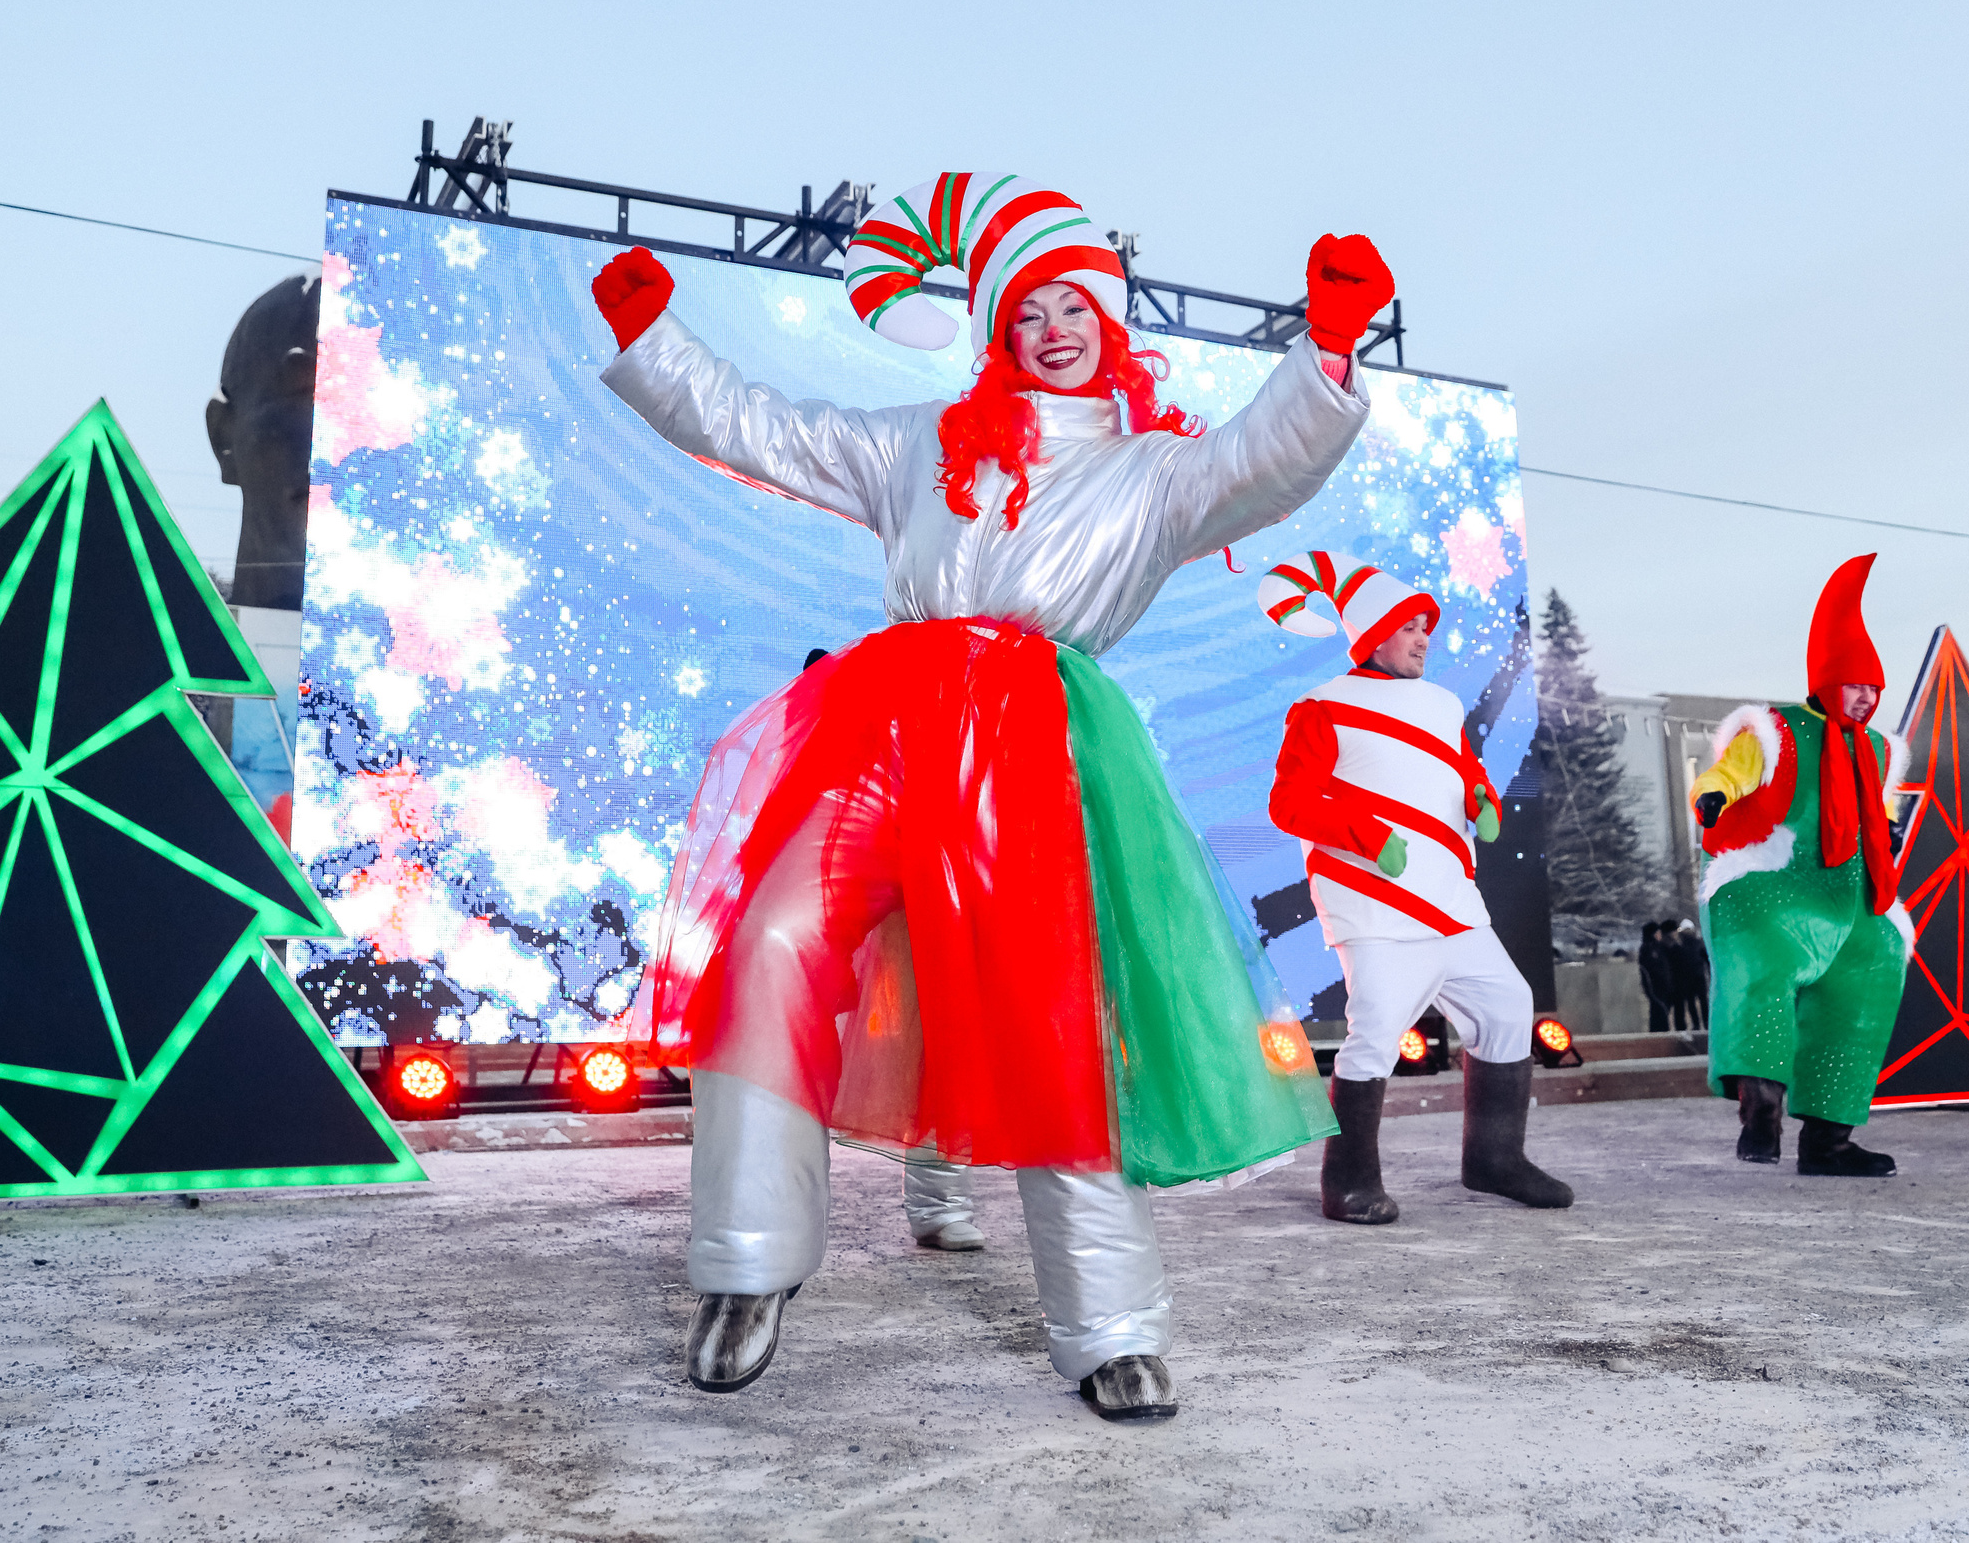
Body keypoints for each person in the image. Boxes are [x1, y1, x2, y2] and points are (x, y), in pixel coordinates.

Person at [592, 174, 1392, 1418]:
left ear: (1109, 325)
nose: (1053, 327)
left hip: (1029, 751)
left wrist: (1325, 356)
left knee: (1045, 1022)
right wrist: (657, 342)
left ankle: (1111, 1328)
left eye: (1076, 305)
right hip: (888, 726)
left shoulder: (1155, 474)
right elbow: (762, 426)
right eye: (1028, 309)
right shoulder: (918, 441)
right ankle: (747, 1266)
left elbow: (1263, 459)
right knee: (771, 940)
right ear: (999, 328)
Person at [1260, 553, 1572, 1225]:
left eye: (1427, 629)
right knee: (1375, 1030)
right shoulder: (1322, 706)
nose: (1424, 639)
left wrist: (1483, 799)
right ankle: (1347, 1180)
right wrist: (1367, 835)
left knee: (1508, 1006)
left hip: (1453, 899)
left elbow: (1464, 768)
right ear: (1375, 634)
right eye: (1410, 628)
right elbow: (1287, 803)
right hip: (1372, 902)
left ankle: (1494, 1159)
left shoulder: (1442, 704)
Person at [1687, 554, 1911, 1177]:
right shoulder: (1776, 729)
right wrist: (1713, 793)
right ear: (1828, 679)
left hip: (1847, 893)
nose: (1866, 698)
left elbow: (1876, 815)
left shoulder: (1877, 748)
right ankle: (1760, 1111)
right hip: (1772, 885)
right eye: (1855, 684)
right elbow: (1731, 772)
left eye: (1874, 688)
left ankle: (1829, 1140)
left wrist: (1886, 834)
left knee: (1877, 958)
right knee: (1767, 961)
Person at [805, 645, 987, 1255]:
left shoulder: (981, 712)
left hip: (961, 902)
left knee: (951, 1048)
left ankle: (940, 1205)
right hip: (879, 905)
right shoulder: (867, 713)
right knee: (912, 1048)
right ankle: (931, 1205)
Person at [1670, 919, 1711, 1032]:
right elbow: (1706, 960)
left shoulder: (1680, 945)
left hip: (1689, 978)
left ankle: (1698, 1024)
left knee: (1694, 1001)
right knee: (1700, 1001)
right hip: (1696, 976)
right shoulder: (1698, 943)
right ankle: (1704, 1023)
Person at [1635, 922, 1673, 1033]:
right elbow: (1652, 969)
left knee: (1662, 1012)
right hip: (1656, 986)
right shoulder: (1649, 948)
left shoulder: (1659, 947)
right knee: (1658, 1012)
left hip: (1663, 986)